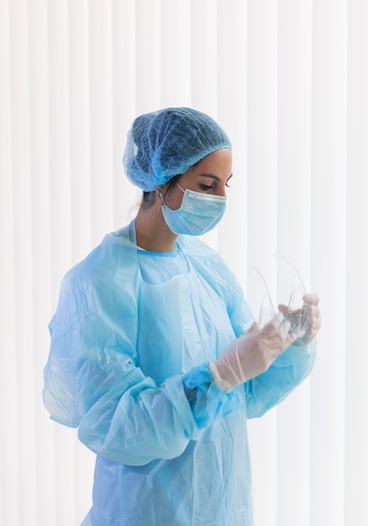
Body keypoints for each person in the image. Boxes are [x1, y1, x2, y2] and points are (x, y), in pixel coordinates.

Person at [43, 107, 321, 526]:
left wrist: (288, 344)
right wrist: (221, 375)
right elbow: (119, 425)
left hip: (224, 507)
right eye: (206, 186)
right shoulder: (99, 285)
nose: (221, 200)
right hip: (145, 512)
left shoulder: (207, 269)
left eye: (226, 185)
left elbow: (244, 393)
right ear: (160, 183)